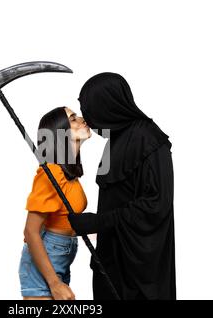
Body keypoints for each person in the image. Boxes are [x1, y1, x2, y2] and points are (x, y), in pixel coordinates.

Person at [68, 73, 176, 300]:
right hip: (111, 264)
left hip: (139, 272)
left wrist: (98, 222)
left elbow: (156, 205)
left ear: (107, 103)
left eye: (89, 107)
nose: (86, 116)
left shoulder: (150, 139)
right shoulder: (115, 141)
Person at [19, 106, 92, 300]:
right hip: (44, 268)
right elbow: (30, 231)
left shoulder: (69, 175)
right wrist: (54, 283)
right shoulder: (50, 173)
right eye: (73, 118)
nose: (82, 119)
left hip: (60, 260)